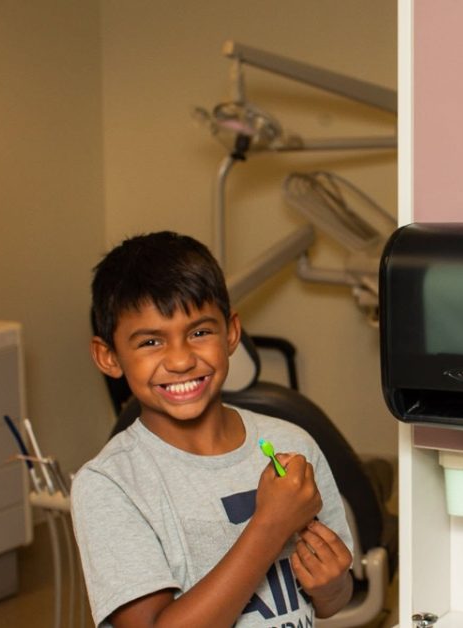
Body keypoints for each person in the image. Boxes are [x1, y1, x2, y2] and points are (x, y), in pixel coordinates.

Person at [72, 231, 354, 627]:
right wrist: (270, 524)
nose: (181, 360)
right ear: (109, 356)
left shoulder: (294, 444)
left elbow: (334, 599)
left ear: (232, 333)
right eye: (151, 341)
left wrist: (331, 584)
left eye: (200, 332)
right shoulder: (110, 484)